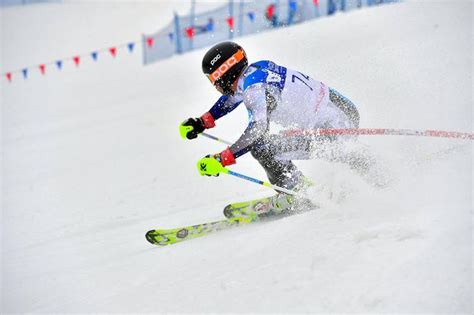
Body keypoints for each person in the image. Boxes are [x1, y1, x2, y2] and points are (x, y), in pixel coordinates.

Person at [180, 41, 364, 214]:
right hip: (343, 112)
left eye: (214, 80)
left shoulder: (254, 89)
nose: (215, 87)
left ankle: (297, 192)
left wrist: (222, 158)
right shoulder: (257, 70)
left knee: (263, 148)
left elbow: (258, 131)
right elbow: (233, 97)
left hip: (333, 128)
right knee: (350, 156)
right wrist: (204, 121)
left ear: (225, 74)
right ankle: (366, 169)